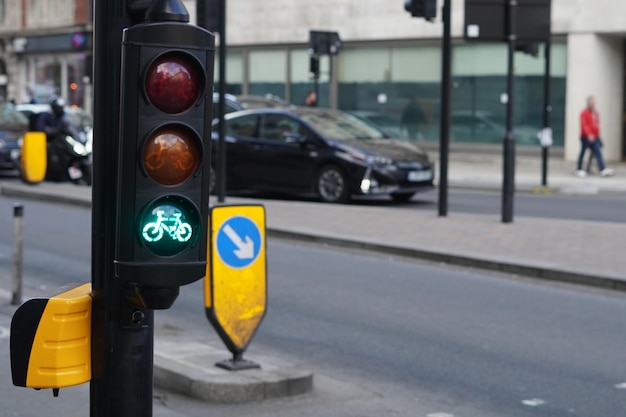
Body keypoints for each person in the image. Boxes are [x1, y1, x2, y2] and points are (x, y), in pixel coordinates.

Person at [576, 96, 614, 177]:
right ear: (588, 104)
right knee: (583, 152)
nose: (593, 105)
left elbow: (596, 125)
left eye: (594, 103)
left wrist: (596, 135)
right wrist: (588, 134)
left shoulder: (595, 113)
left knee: (597, 151)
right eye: (591, 103)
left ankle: (602, 169)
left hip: (595, 137)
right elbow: (584, 125)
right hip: (585, 137)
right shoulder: (584, 112)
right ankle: (579, 169)